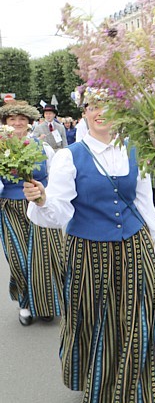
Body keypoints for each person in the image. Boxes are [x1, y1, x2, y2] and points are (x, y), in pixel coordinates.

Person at [23, 89, 155, 402]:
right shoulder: (69, 156)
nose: (102, 113)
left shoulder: (134, 150)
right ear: (85, 112)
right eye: (95, 106)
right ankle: (98, 379)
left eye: (110, 106)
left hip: (134, 244)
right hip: (88, 251)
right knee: (93, 316)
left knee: (136, 314)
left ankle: (134, 386)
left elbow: (144, 203)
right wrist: (43, 199)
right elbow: (59, 210)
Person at [0, 101, 63, 326]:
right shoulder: (0, 147)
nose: (17, 123)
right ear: (5, 123)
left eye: (21, 119)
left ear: (28, 122)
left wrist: (49, 199)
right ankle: (25, 303)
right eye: (12, 120)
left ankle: (45, 305)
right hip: (10, 207)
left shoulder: (42, 146)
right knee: (17, 258)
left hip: (39, 204)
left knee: (43, 257)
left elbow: (55, 176)